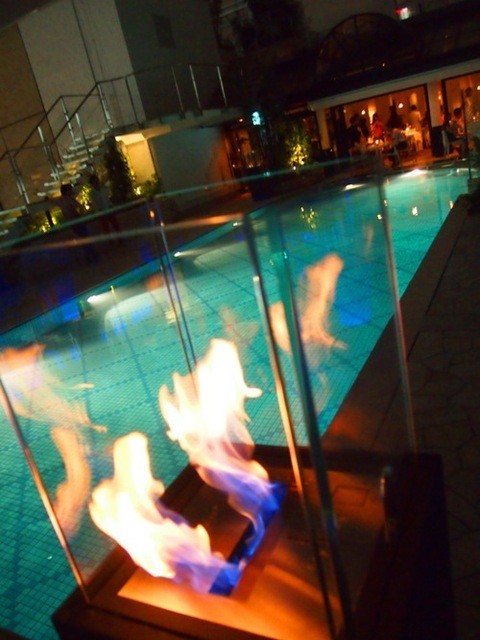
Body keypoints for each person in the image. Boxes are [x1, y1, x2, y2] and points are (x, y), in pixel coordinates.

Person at [55, 183, 98, 261]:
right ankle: (92, 254)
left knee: (82, 238)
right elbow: (80, 207)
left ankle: (89, 255)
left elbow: (53, 202)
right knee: (85, 237)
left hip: (71, 223)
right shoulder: (70, 200)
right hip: (77, 221)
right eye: (70, 189)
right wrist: (81, 214)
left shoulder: (61, 200)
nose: (72, 190)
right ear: (67, 191)